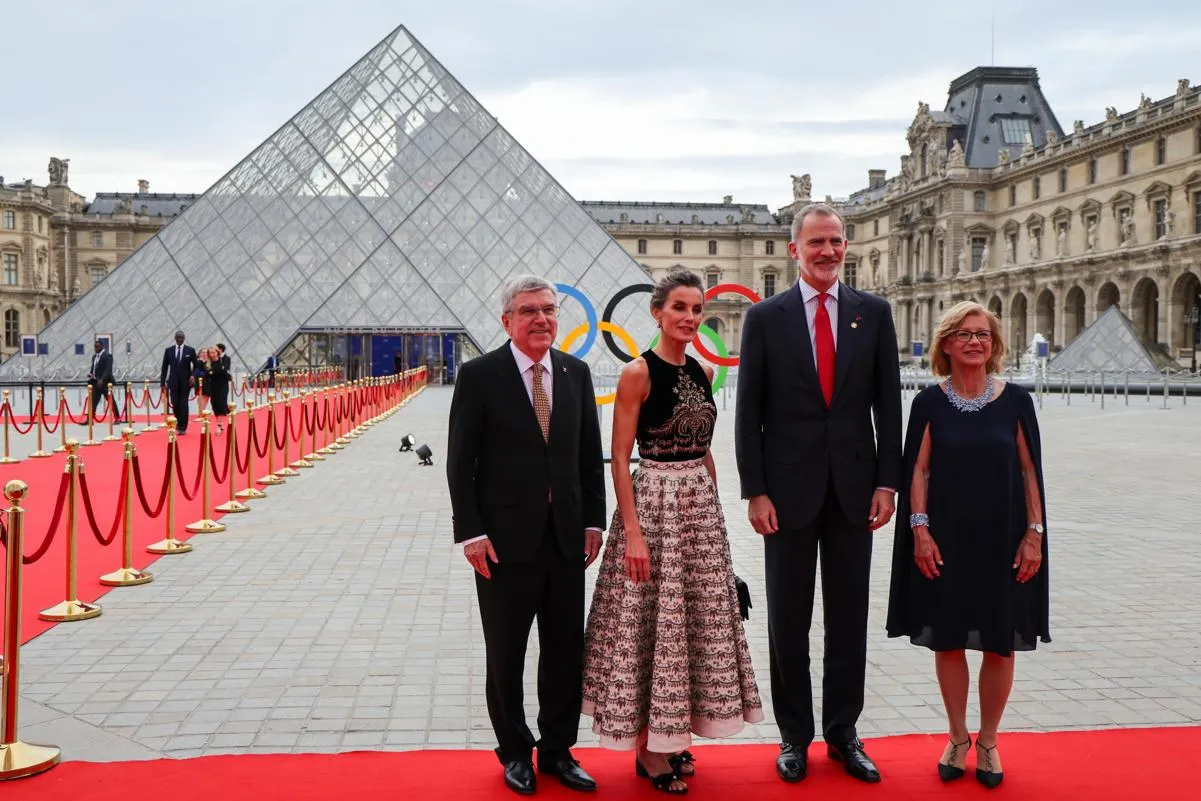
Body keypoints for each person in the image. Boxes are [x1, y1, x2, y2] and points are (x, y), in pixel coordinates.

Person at [735, 203, 903, 785]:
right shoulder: (765, 318)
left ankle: (843, 732)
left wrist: (889, 482)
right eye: (817, 243)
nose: (828, 251)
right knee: (788, 618)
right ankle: (794, 735)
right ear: (794, 250)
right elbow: (748, 411)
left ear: (846, 245)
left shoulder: (874, 313)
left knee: (848, 617)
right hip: (785, 493)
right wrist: (755, 491)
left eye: (836, 241)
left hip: (856, 492)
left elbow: (888, 406)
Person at [582, 269, 762, 795]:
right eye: (679, 307)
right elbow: (619, 456)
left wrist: (714, 510)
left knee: (690, 625)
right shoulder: (638, 372)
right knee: (649, 624)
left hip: (697, 511)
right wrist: (633, 532)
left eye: (696, 309)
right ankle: (648, 751)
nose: (689, 317)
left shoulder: (702, 371)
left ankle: (672, 736)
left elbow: (704, 447)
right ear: (657, 312)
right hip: (654, 504)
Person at [446, 275, 606, 796]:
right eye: (529, 311)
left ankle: (558, 750)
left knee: (565, 652)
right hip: (503, 543)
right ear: (506, 320)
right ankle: (515, 752)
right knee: (506, 654)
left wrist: (592, 522)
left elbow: (588, 455)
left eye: (549, 310)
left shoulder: (575, 372)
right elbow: (459, 462)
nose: (541, 319)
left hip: (565, 541)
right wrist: (470, 533)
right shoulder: (479, 375)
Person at [885, 302, 1049, 789]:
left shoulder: (1017, 400)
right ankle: (958, 737)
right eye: (964, 334)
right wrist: (919, 529)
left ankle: (990, 741)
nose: (975, 342)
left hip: (1005, 536)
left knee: (1001, 643)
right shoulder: (928, 403)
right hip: (946, 537)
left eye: (984, 334)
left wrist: (1034, 535)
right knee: (950, 638)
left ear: (994, 344)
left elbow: (1029, 470)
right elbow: (917, 468)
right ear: (946, 344)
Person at [160, 330, 197, 434]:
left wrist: (193, 375)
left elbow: (196, 366)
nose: (180, 340)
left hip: (186, 382)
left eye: (181, 338)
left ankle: (182, 427)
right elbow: (164, 368)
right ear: (175, 338)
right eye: (178, 338)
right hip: (173, 382)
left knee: (183, 404)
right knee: (175, 403)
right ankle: (178, 422)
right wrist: (162, 383)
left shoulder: (190, 350)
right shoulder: (169, 351)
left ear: (184, 338)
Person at [87, 340, 114, 421]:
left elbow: (108, 370)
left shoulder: (107, 356)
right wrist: (91, 374)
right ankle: (89, 419)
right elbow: (94, 368)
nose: (95, 348)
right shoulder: (94, 356)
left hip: (105, 383)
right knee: (93, 402)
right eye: (95, 347)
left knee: (111, 401)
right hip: (95, 382)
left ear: (102, 346)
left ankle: (117, 418)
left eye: (97, 346)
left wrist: (102, 380)